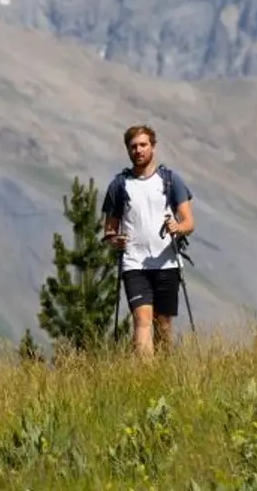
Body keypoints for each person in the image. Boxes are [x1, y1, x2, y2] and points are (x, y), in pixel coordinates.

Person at [101, 123, 195, 357]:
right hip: (134, 264)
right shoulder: (119, 185)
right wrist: (115, 241)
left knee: (163, 324)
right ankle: (144, 376)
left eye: (143, 145)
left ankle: (161, 374)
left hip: (167, 262)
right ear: (127, 150)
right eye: (133, 146)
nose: (138, 150)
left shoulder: (171, 180)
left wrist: (177, 227)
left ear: (153, 147)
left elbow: (189, 223)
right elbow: (109, 231)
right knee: (142, 319)